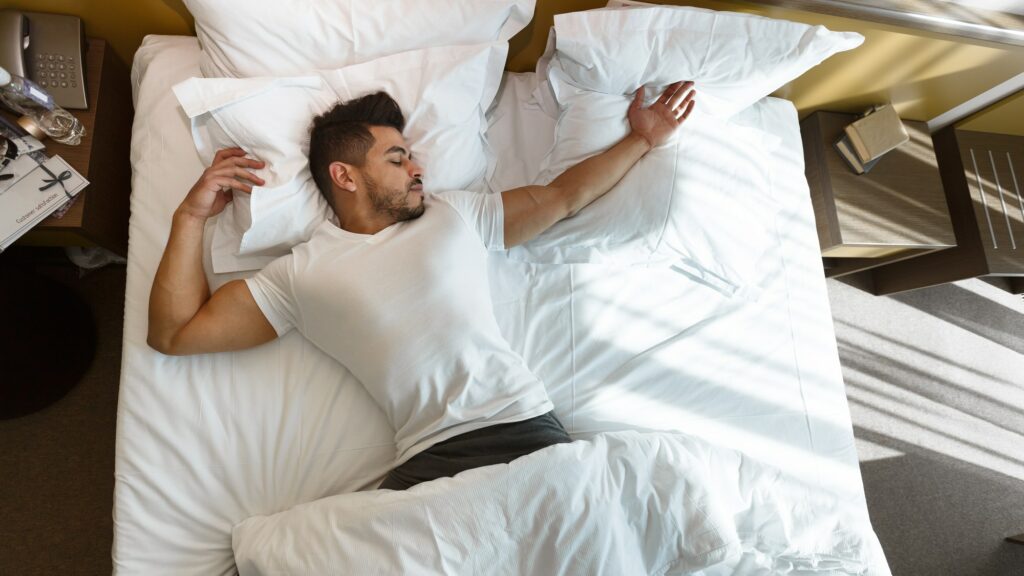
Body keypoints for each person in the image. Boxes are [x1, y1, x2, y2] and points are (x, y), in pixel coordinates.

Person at [147, 81, 697, 490]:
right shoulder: (299, 274)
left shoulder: (454, 215)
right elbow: (174, 334)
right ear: (345, 176)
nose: (417, 168)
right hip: (429, 462)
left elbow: (562, 198)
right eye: (398, 157)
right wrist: (190, 218)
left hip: (521, 429)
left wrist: (643, 140)